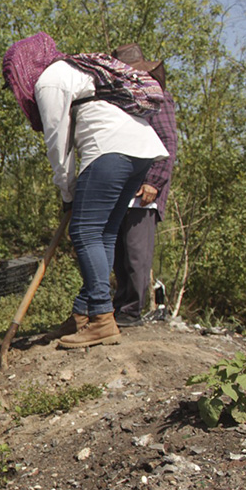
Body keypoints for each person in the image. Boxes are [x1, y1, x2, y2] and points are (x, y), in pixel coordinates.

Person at [2, 32, 166, 349]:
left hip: (110, 148)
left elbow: (58, 144)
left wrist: (67, 193)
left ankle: (103, 320)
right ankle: (84, 313)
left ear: (24, 67)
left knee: (84, 232)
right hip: (141, 150)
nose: (15, 88)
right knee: (103, 233)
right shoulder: (77, 69)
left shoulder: (50, 79)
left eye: (13, 81)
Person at [110, 44, 177, 327]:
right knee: (118, 253)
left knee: (137, 252)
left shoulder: (157, 99)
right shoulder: (120, 102)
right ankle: (120, 306)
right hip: (122, 185)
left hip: (144, 187)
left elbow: (167, 142)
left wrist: (155, 181)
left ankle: (132, 309)